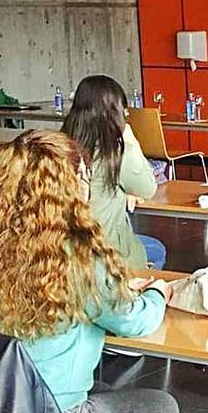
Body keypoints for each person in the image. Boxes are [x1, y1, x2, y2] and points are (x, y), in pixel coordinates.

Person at [0, 130, 179, 413]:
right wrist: (155, 294)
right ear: (73, 184)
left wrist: (109, 292)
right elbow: (135, 320)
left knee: (106, 393)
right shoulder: (78, 257)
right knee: (164, 408)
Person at [62, 75, 166, 270]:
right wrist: (130, 140)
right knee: (157, 250)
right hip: (105, 252)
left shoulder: (59, 148)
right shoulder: (114, 152)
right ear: (114, 112)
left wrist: (123, 190)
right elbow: (148, 188)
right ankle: (135, 294)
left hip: (60, 252)